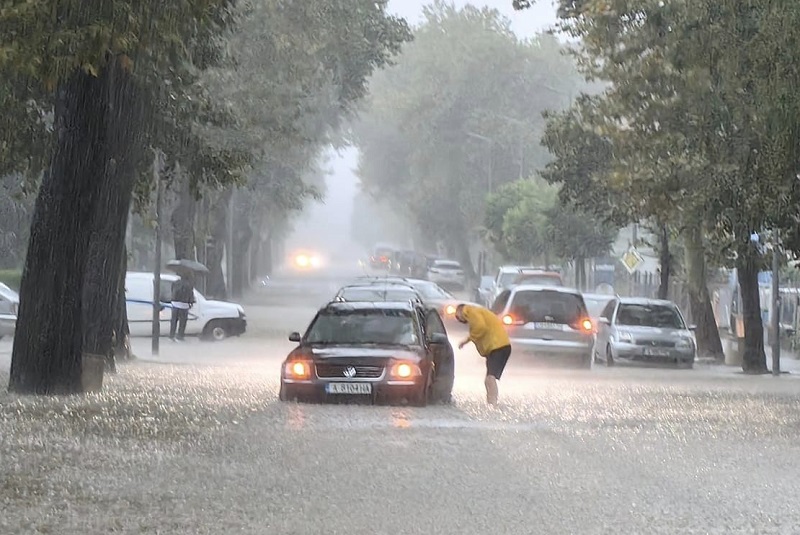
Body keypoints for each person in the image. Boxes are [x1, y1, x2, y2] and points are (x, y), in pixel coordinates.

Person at [454, 303, 512, 406]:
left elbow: (481, 327)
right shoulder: (476, 312)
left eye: (458, 317)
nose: (461, 321)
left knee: (490, 378)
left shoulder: (470, 311)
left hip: (498, 347)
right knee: (488, 380)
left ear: (459, 310)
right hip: (497, 347)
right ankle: (491, 403)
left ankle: (492, 405)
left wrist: (467, 340)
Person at [169, 274, 195, 341]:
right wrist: (191, 303)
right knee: (182, 322)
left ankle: (171, 335)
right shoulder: (189, 285)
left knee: (174, 321)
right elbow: (190, 295)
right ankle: (180, 336)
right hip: (184, 305)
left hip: (175, 304)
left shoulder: (175, 283)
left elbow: (172, 291)